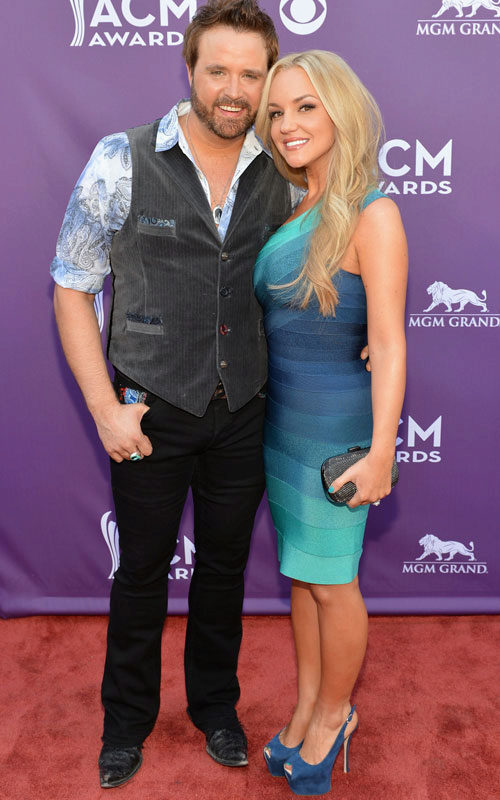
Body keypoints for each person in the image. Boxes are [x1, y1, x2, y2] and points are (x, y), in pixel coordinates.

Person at [50, 0, 296, 788]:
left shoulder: (286, 166)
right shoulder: (120, 159)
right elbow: (72, 285)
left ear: (268, 79)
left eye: (251, 74)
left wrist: (364, 329)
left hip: (247, 406)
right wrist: (104, 408)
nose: (234, 89)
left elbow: (326, 261)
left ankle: (215, 708)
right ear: (188, 67)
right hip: (148, 409)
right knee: (141, 572)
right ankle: (126, 722)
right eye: (218, 70)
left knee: (224, 569)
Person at [253, 50, 407, 795]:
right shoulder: (296, 210)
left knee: (334, 582)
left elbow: (390, 342)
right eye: (277, 112)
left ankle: (335, 714)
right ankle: (306, 706)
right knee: (304, 578)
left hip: (336, 431)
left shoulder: (373, 213)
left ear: (341, 110)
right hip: (284, 429)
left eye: (306, 106)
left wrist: (381, 452)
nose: (288, 124)